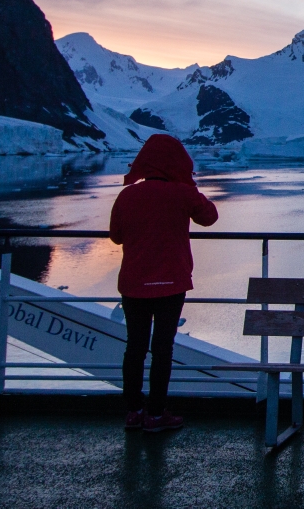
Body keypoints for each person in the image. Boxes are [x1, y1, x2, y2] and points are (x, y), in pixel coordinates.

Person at [109, 134, 218, 432]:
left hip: (134, 283)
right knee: (162, 349)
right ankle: (156, 414)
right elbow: (210, 217)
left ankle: (133, 411)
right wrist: (190, 188)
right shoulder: (182, 194)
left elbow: (116, 236)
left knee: (135, 348)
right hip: (171, 282)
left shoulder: (127, 195)